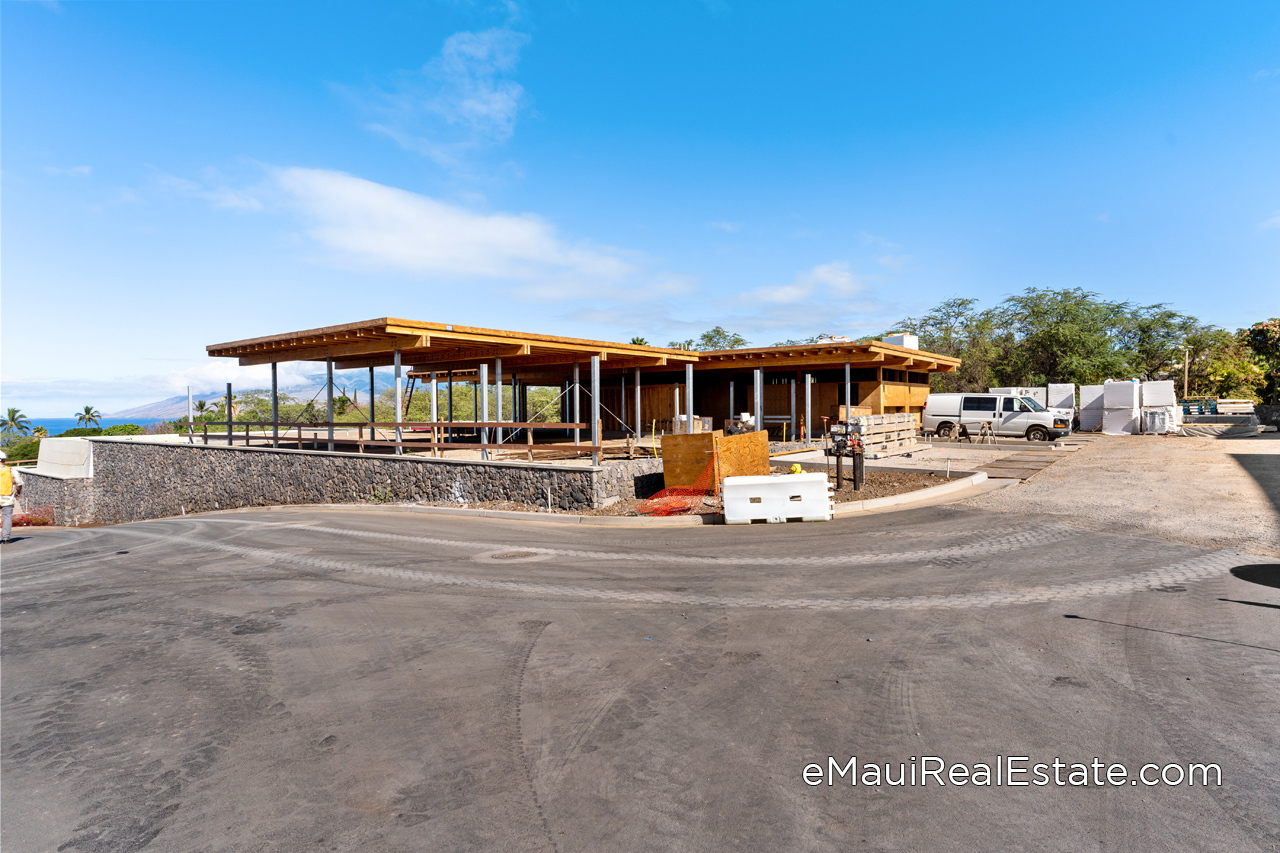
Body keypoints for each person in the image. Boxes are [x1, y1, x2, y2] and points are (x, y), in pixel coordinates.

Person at [0, 451, 22, 543]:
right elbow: (19, 484)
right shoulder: (11, 470)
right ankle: (5, 538)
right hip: (7, 499)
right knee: (7, 517)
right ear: (4, 460)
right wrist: (18, 492)